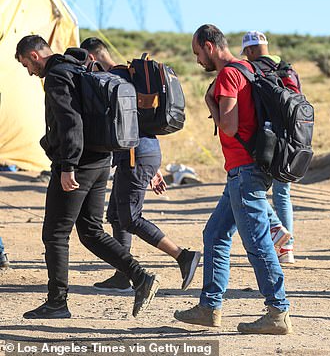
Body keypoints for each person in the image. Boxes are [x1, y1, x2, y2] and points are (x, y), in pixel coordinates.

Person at [15, 35, 159, 319]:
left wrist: (67, 165)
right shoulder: (80, 67)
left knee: (55, 234)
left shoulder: (57, 76)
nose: (30, 73)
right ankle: (140, 277)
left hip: (77, 165)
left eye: (26, 65)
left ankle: (57, 302)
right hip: (100, 160)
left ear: (34, 55)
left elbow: (71, 121)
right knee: (91, 231)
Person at [174, 24, 292, 334]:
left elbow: (228, 126)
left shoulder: (228, 75)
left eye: (198, 53)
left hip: (244, 169)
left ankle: (278, 312)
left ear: (210, 47)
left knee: (257, 242)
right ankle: (209, 307)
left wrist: (210, 102)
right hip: (250, 167)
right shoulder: (248, 68)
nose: (198, 60)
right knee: (214, 234)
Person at [79, 37, 201, 292]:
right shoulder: (127, 76)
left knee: (131, 217)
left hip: (137, 155)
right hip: (140, 154)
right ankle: (124, 273)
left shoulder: (114, 81)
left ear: (91, 57)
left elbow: (124, 127)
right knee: (116, 215)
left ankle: (183, 256)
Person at [240, 30, 300, 263]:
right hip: (292, 139)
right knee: (282, 193)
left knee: (251, 188)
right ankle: (288, 250)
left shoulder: (254, 70)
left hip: (266, 139)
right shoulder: (287, 68)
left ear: (252, 50)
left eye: (246, 52)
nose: (246, 57)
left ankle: (277, 235)